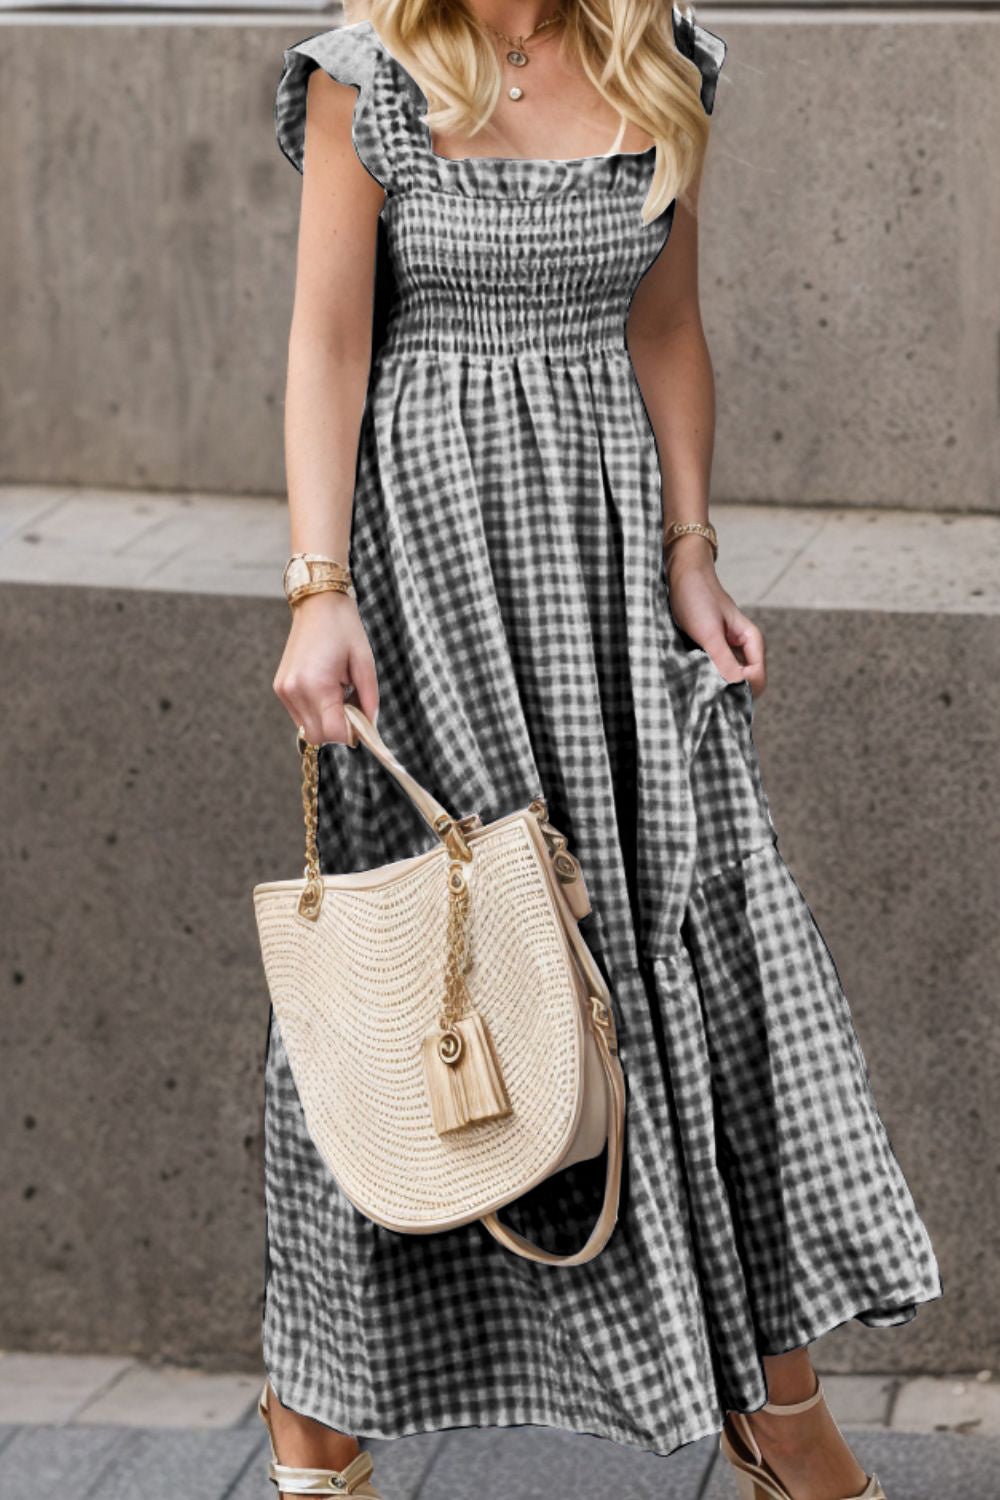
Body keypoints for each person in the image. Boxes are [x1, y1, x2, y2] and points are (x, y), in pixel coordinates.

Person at [257, 3, 942, 1496]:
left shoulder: (667, 63)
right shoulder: (359, 80)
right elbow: (326, 342)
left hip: (616, 574)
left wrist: (694, 552)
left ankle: (778, 1402)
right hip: (432, 573)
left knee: (699, 950)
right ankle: (312, 1405)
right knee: (431, 975)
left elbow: (667, 326)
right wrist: (320, 592)